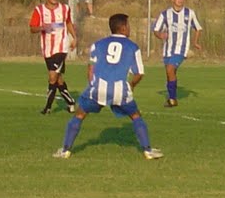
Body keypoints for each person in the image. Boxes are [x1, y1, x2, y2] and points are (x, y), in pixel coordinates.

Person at [54, 14, 162, 160]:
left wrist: (92, 87)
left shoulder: (98, 44)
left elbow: (90, 69)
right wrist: (131, 85)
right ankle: (147, 150)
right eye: (128, 25)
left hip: (98, 88)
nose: (129, 28)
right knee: (136, 116)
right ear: (123, 28)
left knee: (79, 115)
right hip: (120, 90)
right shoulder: (133, 47)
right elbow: (139, 73)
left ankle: (65, 150)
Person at [29, 0, 78, 114]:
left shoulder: (64, 8)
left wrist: (74, 37)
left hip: (61, 48)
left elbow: (68, 23)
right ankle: (70, 102)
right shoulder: (39, 10)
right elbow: (32, 28)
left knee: (52, 76)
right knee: (58, 79)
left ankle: (48, 107)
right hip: (47, 49)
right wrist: (42, 27)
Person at [151, 0, 204, 106]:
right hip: (168, 50)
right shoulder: (165, 14)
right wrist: (160, 35)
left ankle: (172, 99)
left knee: (170, 69)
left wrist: (195, 42)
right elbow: (156, 30)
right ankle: (172, 97)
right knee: (170, 73)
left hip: (181, 49)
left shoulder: (189, 13)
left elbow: (198, 28)